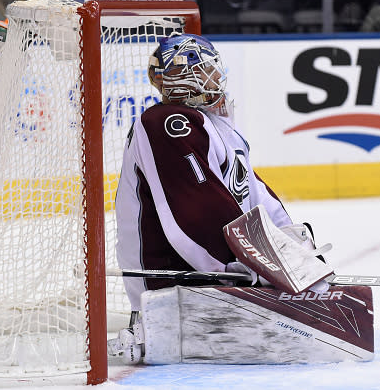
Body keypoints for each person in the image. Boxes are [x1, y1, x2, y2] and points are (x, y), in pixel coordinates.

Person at [110, 34, 333, 363]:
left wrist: (291, 243)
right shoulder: (166, 123)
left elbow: (255, 194)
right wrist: (251, 264)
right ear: (184, 75)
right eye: (207, 68)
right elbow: (194, 214)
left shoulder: (219, 128)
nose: (216, 76)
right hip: (169, 289)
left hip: (213, 275)